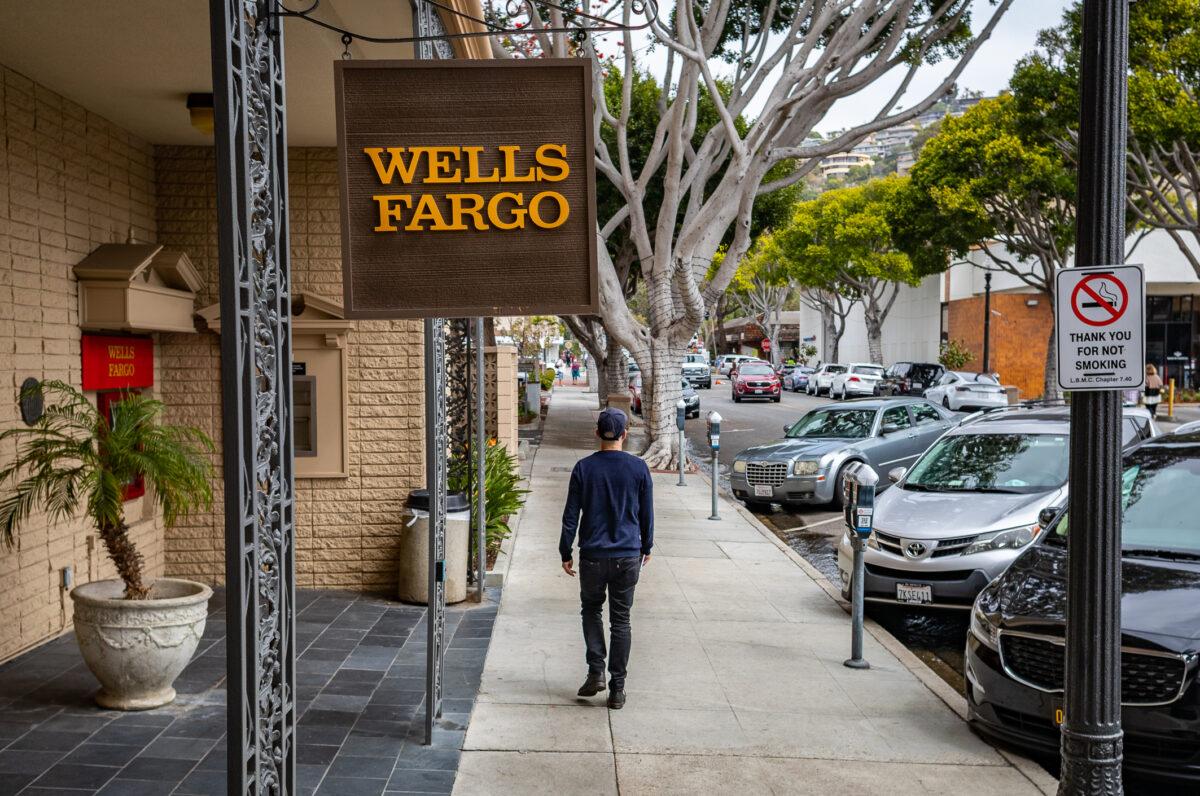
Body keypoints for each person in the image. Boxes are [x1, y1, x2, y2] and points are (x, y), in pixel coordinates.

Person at [559, 408, 653, 710]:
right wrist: (646, 546)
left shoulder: (584, 469)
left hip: (593, 556)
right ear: (625, 434)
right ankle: (617, 689)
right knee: (621, 620)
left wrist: (565, 551)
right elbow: (646, 515)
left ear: (597, 433)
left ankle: (596, 670)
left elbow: (571, 516)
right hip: (627, 555)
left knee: (591, 610)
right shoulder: (639, 469)